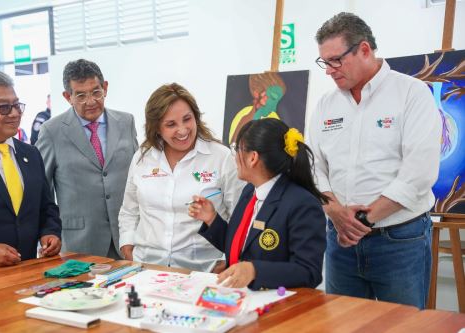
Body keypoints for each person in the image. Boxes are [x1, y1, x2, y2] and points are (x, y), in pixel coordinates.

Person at [307, 12, 441, 308]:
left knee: (403, 327)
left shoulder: (411, 94)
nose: (329, 70)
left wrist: (363, 220)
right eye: (324, 62)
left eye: (335, 60)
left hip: (399, 240)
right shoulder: (325, 105)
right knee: (344, 326)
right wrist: (334, 210)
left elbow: (419, 173)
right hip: (340, 241)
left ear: (365, 50)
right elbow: (312, 166)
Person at [118, 83, 245, 272]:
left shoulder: (221, 156)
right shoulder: (142, 157)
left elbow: (240, 216)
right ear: (156, 128)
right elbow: (129, 210)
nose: (183, 130)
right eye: (171, 124)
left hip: (204, 270)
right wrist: (127, 247)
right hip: (147, 267)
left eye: (187, 119)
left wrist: (228, 258)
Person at [188, 118, 327, 289]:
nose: (235, 157)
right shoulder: (249, 191)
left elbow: (308, 272)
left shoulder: (302, 204)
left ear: (253, 158)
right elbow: (240, 247)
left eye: (237, 149)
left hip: (280, 306)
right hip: (241, 299)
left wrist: (255, 271)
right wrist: (212, 219)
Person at [36, 59, 138, 259]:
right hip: (79, 243)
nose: (90, 101)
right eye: (80, 95)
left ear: (105, 87)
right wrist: (48, 232)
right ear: (68, 97)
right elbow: (43, 192)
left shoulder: (126, 122)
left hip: (127, 239)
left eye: (96, 92)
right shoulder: (51, 131)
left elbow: (138, 178)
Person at [0, 71, 62, 272]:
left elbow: (46, 207)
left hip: (27, 274)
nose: (15, 113)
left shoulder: (31, 153)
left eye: (17, 105)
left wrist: (50, 232)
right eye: (4, 107)